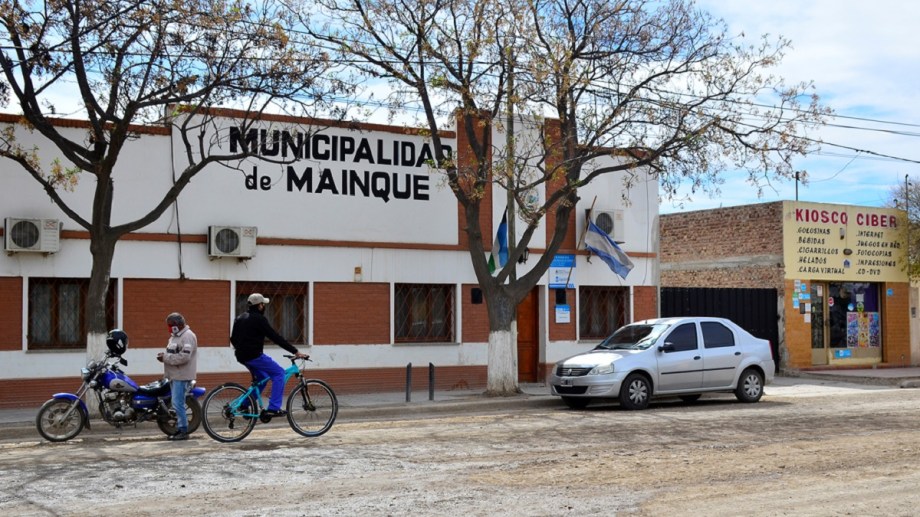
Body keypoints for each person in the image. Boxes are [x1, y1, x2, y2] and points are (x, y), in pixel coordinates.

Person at [230, 293, 308, 417]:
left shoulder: (240, 318)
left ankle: (244, 405)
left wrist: (243, 349)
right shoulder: (259, 319)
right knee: (279, 373)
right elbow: (275, 337)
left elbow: (233, 338)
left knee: (263, 379)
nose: (264, 306)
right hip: (255, 356)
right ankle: (274, 408)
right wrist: (295, 351)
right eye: (263, 304)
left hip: (241, 356)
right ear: (260, 306)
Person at [157, 312, 198, 441]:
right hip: (174, 375)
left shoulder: (187, 336)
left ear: (177, 325)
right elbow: (173, 352)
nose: (169, 328)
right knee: (176, 403)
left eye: (170, 325)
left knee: (177, 403)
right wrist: (164, 356)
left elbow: (184, 357)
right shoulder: (175, 337)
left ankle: (183, 430)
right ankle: (180, 429)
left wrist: (165, 358)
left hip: (181, 376)